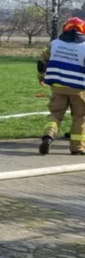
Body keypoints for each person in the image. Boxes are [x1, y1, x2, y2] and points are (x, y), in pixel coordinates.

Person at [37, 16, 85, 155]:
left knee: (55, 115)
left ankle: (49, 136)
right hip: (78, 88)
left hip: (57, 87)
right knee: (79, 117)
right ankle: (77, 148)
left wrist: (41, 77)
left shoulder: (54, 44)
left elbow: (41, 62)